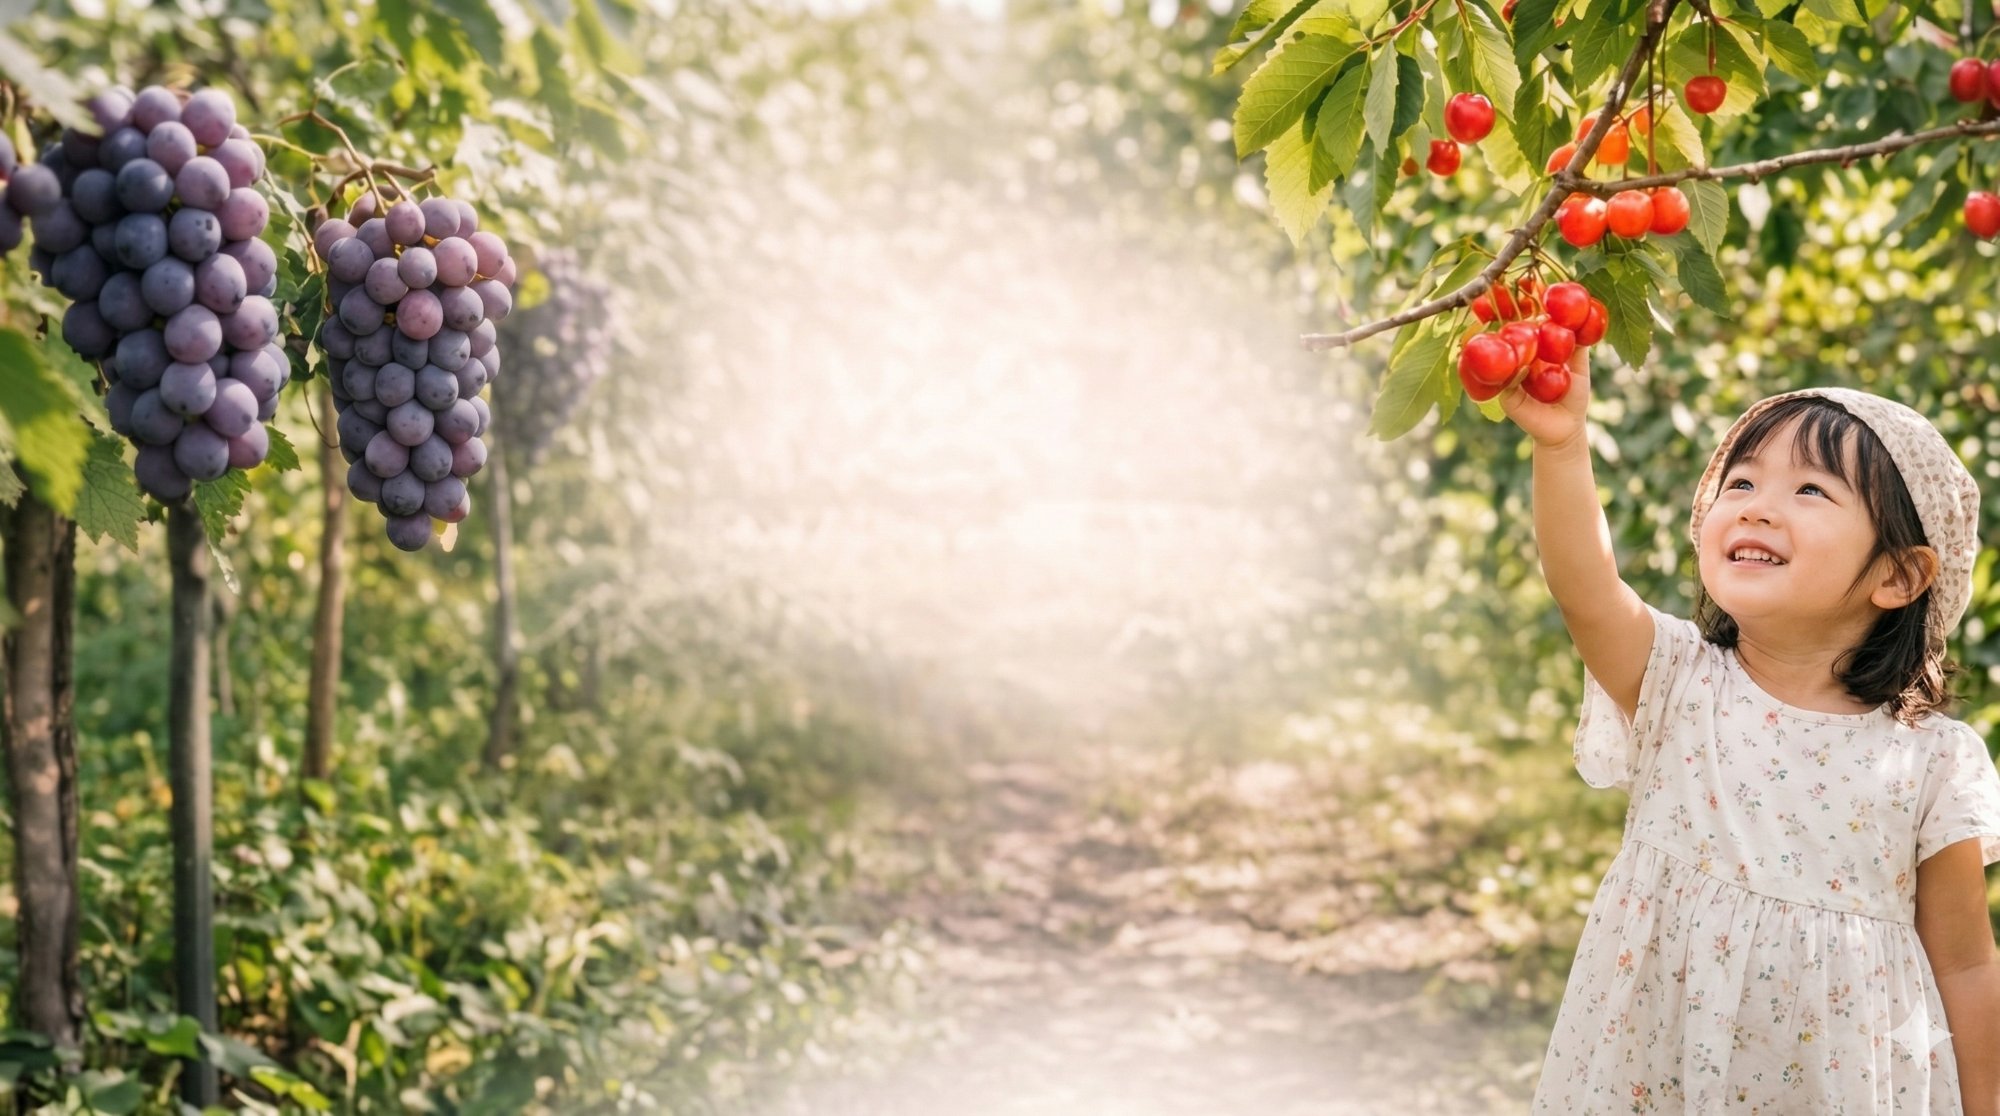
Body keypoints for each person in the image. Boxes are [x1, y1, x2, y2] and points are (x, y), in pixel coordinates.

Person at [1502, 347, 2000, 1113]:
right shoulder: (1679, 683)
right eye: (1740, 481)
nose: (1758, 505)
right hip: (1656, 1067)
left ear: (1898, 577)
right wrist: (1562, 446)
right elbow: (1585, 587)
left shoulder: (1932, 763)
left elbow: (1965, 965)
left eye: (1810, 489)